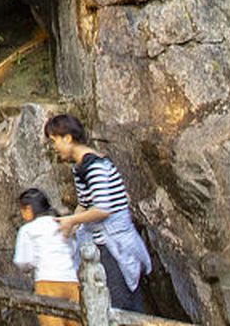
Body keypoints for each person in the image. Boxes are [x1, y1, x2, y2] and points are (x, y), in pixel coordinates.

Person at [44, 113, 152, 311]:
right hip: (99, 245)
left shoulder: (95, 166)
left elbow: (102, 209)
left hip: (113, 247)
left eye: (54, 141)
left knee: (120, 308)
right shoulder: (79, 168)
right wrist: (70, 226)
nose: (54, 148)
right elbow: (84, 204)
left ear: (67, 138)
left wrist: (71, 221)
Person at [13, 187, 81, 326]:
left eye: (22, 210)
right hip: (72, 282)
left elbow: (22, 261)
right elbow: (73, 249)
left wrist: (31, 265)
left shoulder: (27, 230)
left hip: (47, 282)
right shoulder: (61, 223)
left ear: (29, 209)